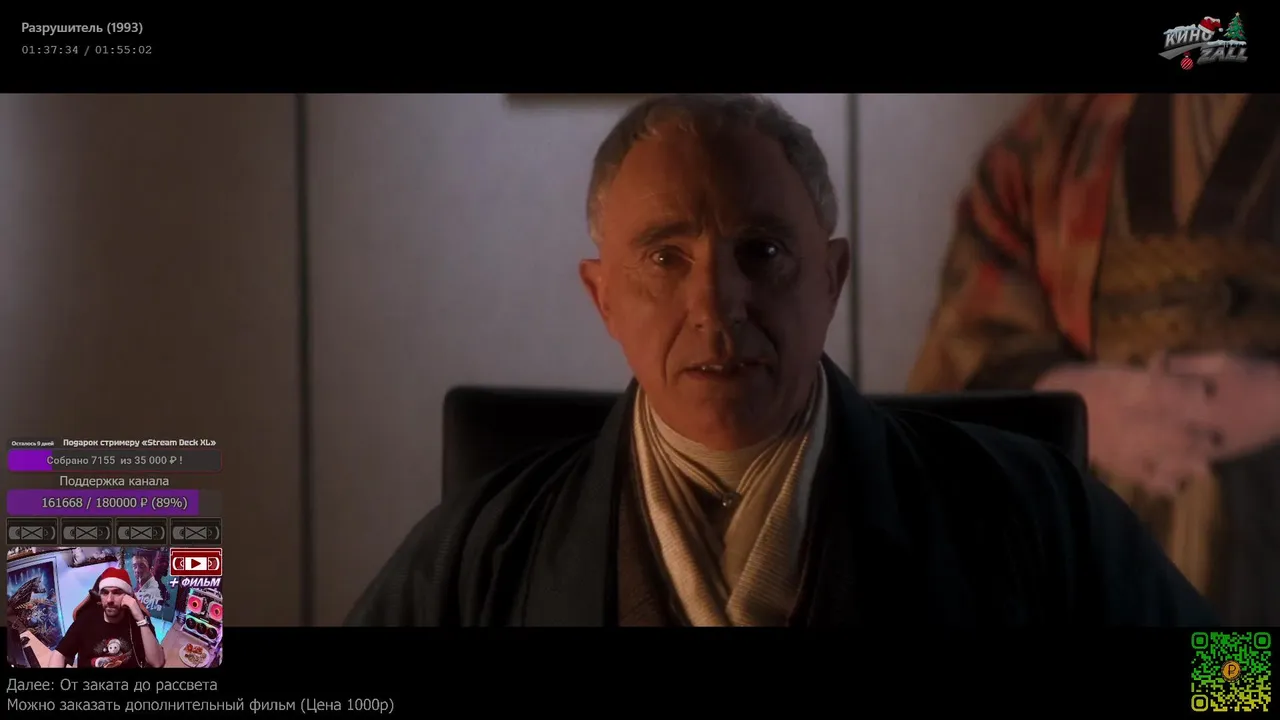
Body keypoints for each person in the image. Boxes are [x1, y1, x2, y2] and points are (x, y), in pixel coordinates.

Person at [348, 93, 1217, 627]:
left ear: (831, 278)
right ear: (602, 296)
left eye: (761, 252)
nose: (716, 303)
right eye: (664, 258)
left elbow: (1238, 679)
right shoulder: (491, 547)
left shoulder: (1026, 510)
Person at [908, 93, 1280, 626]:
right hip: (1097, 514)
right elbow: (964, 338)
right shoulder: (1060, 127)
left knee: (1236, 677)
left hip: (1264, 525)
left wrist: (1269, 399)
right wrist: (1081, 405)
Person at [48, 567, 165, 668]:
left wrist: (140, 618)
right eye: (104, 593)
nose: (109, 600)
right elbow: (59, 654)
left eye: (117, 592)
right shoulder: (86, 619)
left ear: (128, 596)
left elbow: (157, 662)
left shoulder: (139, 620)